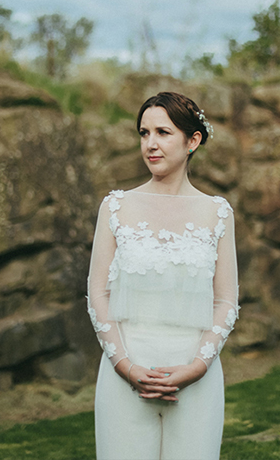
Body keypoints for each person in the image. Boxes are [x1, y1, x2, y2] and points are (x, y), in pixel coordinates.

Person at [87, 91, 239, 460]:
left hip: (195, 376)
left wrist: (197, 367)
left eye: (163, 133)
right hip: (125, 372)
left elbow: (226, 300)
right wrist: (126, 366)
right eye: (143, 133)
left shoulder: (217, 212)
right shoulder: (115, 206)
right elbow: (97, 294)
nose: (150, 144)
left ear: (193, 140)